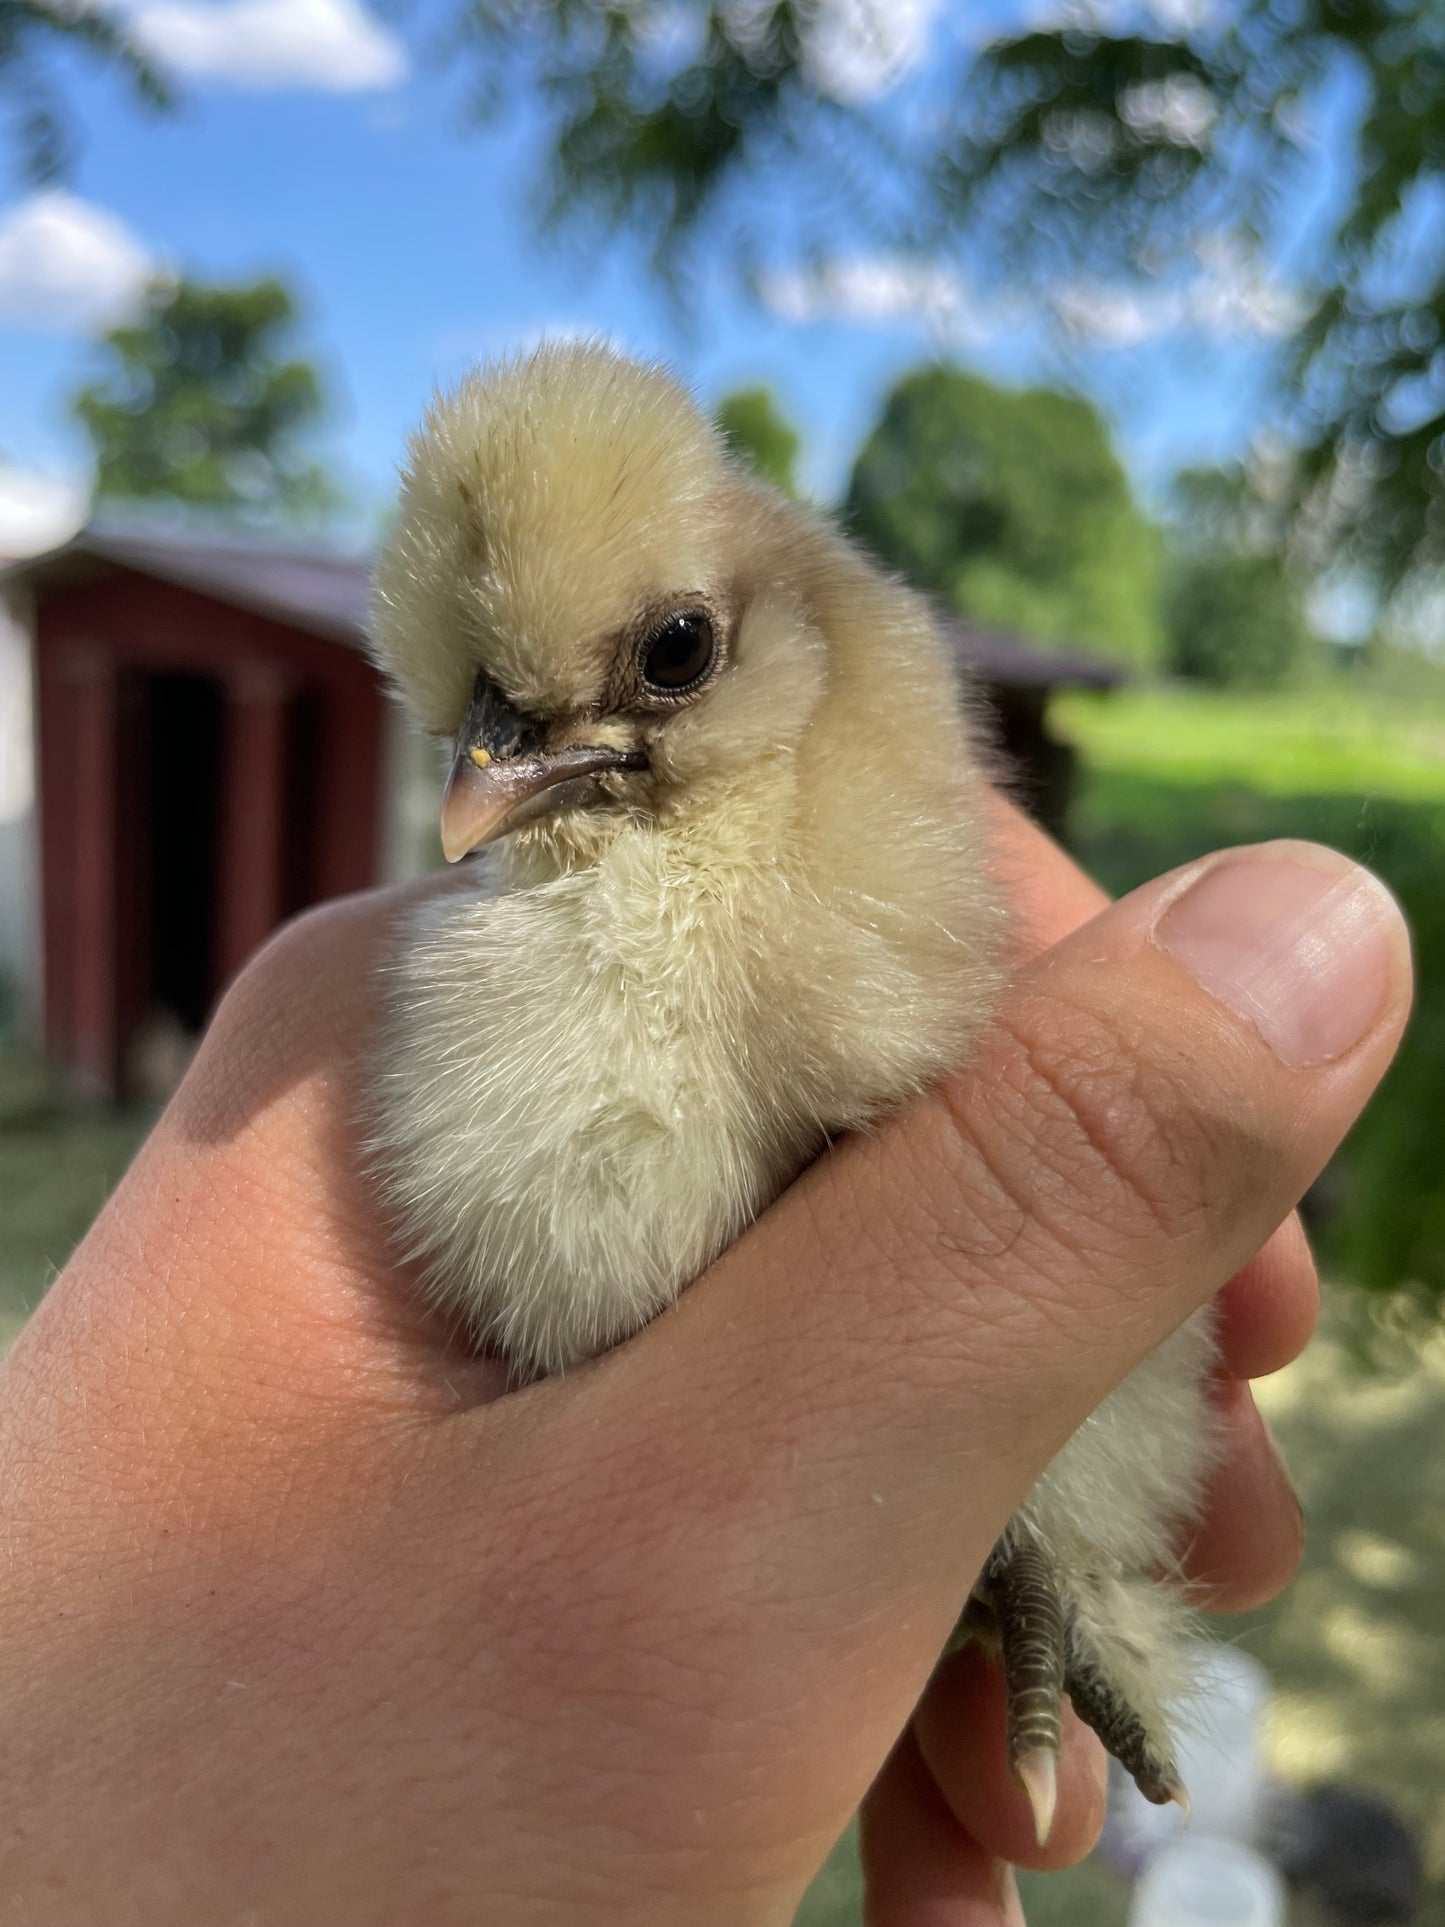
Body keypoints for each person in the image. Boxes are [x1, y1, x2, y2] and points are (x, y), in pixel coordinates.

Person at [0, 803, 1411, 1926]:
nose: (494, 765)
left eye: (666, 657)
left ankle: (1022, 1562)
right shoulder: (515, 978)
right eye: (470, 715)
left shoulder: (844, 902)